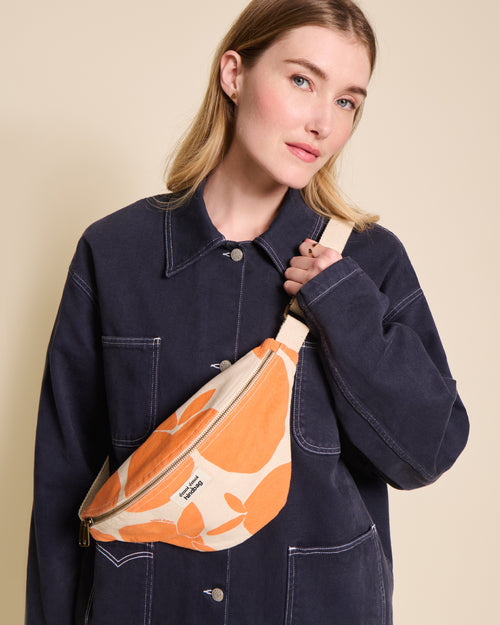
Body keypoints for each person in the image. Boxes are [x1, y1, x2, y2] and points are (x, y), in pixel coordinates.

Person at [25, 0, 469, 623]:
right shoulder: (114, 252)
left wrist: (344, 306)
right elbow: (62, 481)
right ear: (234, 75)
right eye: (302, 80)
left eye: (347, 101)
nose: (322, 122)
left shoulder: (370, 260)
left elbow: (427, 452)